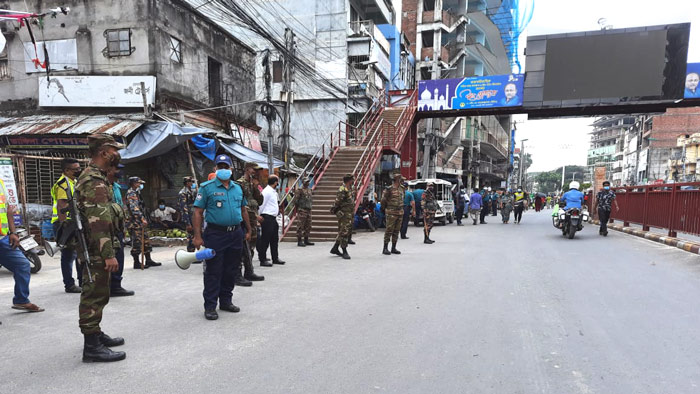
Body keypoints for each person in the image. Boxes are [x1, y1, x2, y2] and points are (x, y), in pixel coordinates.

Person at [75, 134, 126, 362]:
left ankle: (95, 334)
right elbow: (99, 222)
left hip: (97, 247)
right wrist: (108, 255)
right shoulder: (93, 181)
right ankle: (92, 347)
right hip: (96, 249)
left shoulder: (99, 178)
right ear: (104, 152)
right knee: (93, 296)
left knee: (100, 294)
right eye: (114, 149)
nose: (117, 153)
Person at [193, 154, 253, 320]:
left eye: (226, 167)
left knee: (231, 269)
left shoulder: (238, 188)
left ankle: (226, 301)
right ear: (215, 169)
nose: (223, 170)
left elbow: (243, 210)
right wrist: (197, 236)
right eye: (220, 167)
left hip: (235, 233)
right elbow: (197, 212)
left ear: (231, 169)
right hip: (215, 234)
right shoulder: (206, 188)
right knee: (213, 270)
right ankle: (210, 306)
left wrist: (248, 229)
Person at [0, 177, 45, 314]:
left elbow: (8, 210)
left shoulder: (0, 182)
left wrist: (13, 232)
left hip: (3, 238)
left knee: (23, 265)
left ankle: (21, 300)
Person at [50, 157, 83, 293]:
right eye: (76, 169)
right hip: (65, 224)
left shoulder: (72, 181)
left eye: (79, 168)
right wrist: (64, 227)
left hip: (73, 222)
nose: (78, 171)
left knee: (79, 252)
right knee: (69, 255)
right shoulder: (63, 184)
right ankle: (69, 284)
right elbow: (62, 206)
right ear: (66, 170)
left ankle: (82, 281)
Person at [235, 162, 265, 283]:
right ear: (247, 169)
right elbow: (241, 205)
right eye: (254, 170)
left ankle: (249, 271)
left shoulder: (252, 184)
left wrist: (256, 187)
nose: (256, 172)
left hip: (252, 219)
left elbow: (259, 201)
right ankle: (238, 274)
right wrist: (254, 216)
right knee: (243, 246)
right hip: (245, 219)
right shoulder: (239, 183)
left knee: (251, 245)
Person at [108, 164, 134, 297]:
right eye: (116, 169)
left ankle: (116, 285)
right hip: (107, 228)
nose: (119, 172)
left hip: (118, 227)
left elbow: (120, 207)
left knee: (119, 257)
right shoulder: (102, 187)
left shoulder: (116, 187)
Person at [126, 177, 161, 269]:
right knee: (137, 242)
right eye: (138, 183)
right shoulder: (131, 193)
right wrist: (141, 218)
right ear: (133, 183)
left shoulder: (137, 192)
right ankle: (136, 262)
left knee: (146, 241)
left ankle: (148, 260)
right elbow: (134, 209)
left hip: (140, 222)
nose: (140, 185)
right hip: (135, 222)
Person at [257, 175, 286, 266]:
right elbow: (261, 204)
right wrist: (259, 216)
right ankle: (262, 259)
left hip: (273, 218)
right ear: (275, 182)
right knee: (265, 239)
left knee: (274, 239)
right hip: (267, 217)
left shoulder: (273, 192)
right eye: (277, 182)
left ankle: (275, 258)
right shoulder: (267, 191)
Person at [330, 174, 354, 259]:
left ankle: (335, 248)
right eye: (352, 179)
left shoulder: (348, 189)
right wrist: (334, 209)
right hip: (344, 214)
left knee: (343, 231)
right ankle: (344, 250)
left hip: (348, 213)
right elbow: (338, 201)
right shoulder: (342, 189)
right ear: (349, 180)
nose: (353, 181)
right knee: (344, 232)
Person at [381, 173, 405, 255]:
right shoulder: (389, 189)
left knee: (396, 230)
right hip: (391, 212)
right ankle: (385, 248)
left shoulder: (402, 188)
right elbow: (383, 200)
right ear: (398, 179)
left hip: (400, 212)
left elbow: (403, 198)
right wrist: (385, 209)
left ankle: (393, 247)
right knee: (389, 230)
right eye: (401, 179)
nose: (402, 181)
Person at [292, 177, 314, 247]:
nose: (307, 183)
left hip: (308, 210)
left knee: (308, 225)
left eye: (308, 181)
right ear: (303, 182)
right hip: (302, 210)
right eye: (306, 182)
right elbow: (295, 200)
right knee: (300, 225)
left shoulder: (310, 190)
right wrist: (298, 209)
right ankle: (299, 240)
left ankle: (306, 239)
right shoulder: (299, 190)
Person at [178, 176, 197, 252]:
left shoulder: (193, 191)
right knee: (191, 235)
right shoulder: (183, 193)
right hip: (189, 216)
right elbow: (183, 208)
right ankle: (190, 252)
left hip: (194, 215)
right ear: (187, 183)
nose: (192, 183)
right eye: (191, 182)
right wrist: (187, 223)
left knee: (196, 234)